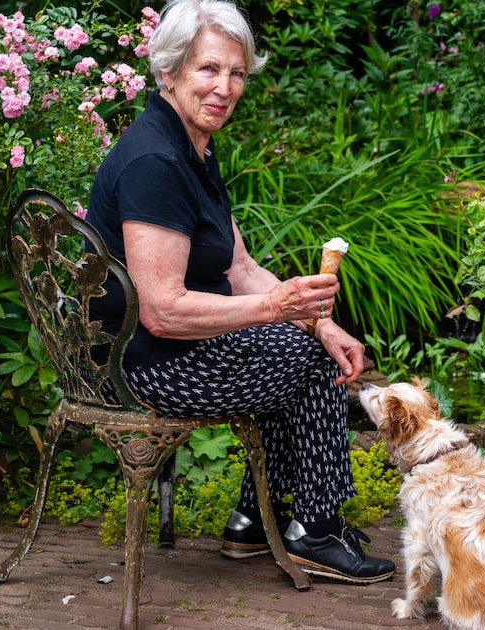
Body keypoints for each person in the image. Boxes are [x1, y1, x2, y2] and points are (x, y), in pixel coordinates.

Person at [85, 0, 394, 585]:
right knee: (302, 358)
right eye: (208, 69)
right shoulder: (156, 160)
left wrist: (321, 322)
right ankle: (314, 528)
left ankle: (257, 520)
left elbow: (242, 266)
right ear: (169, 71)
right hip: (142, 365)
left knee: (305, 343)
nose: (224, 87)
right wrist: (283, 312)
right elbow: (163, 311)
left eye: (236, 73)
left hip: (168, 350)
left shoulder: (192, 146)